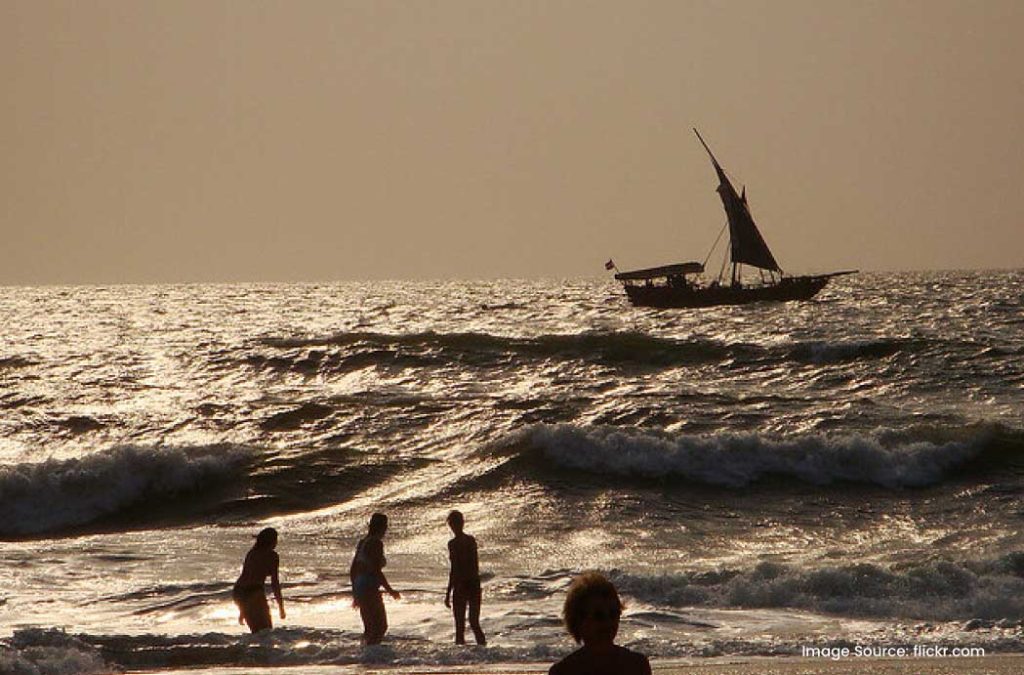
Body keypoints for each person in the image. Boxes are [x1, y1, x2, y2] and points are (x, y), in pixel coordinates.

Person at [549, 572, 650, 675]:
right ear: (579, 620)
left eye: (613, 614)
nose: (608, 622)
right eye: (599, 616)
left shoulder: (637, 665)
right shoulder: (563, 671)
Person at [350, 512, 401, 644]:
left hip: (361, 586)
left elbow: (353, 569)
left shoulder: (363, 542)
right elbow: (376, 570)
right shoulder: (376, 543)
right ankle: (371, 657)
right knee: (380, 627)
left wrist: (355, 592)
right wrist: (391, 591)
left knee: (369, 628)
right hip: (369, 586)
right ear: (382, 527)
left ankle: (365, 655)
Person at [444, 510, 486, 645]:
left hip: (467, 585)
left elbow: (458, 568)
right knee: (464, 626)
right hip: (469, 584)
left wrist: (449, 592)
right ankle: (468, 659)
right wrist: (448, 592)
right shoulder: (462, 542)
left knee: (471, 624)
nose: (454, 527)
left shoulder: (460, 543)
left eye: (455, 523)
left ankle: (482, 652)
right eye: (453, 524)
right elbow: (455, 569)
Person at [232, 527, 285, 633]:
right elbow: (275, 583)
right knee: (266, 632)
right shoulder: (272, 556)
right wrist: (281, 607)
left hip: (239, 592)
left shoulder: (252, 553)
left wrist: (243, 609)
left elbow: (246, 575)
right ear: (272, 541)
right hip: (253, 592)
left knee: (256, 632)